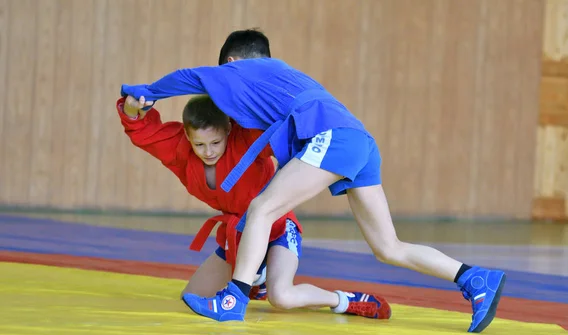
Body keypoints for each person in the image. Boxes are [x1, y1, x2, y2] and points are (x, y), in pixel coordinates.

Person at [120, 29, 506, 333]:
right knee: (389, 247)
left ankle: (232, 300)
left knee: (262, 207)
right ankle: (474, 278)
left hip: (333, 136)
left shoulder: (244, 71)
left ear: (234, 63)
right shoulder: (280, 82)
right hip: (358, 141)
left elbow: (192, 77)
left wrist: (145, 93)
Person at [117, 93, 391, 321]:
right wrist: (131, 108)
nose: (208, 151)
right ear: (186, 137)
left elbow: (280, 123)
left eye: (215, 142)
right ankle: (255, 281)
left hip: (279, 228)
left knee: (281, 297)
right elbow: (143, 131)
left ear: (228, 129)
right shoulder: (178, 149)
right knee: (193, 296)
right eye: (199, 144)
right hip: (237, 235)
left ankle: (346, 300)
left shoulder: (246, 140)